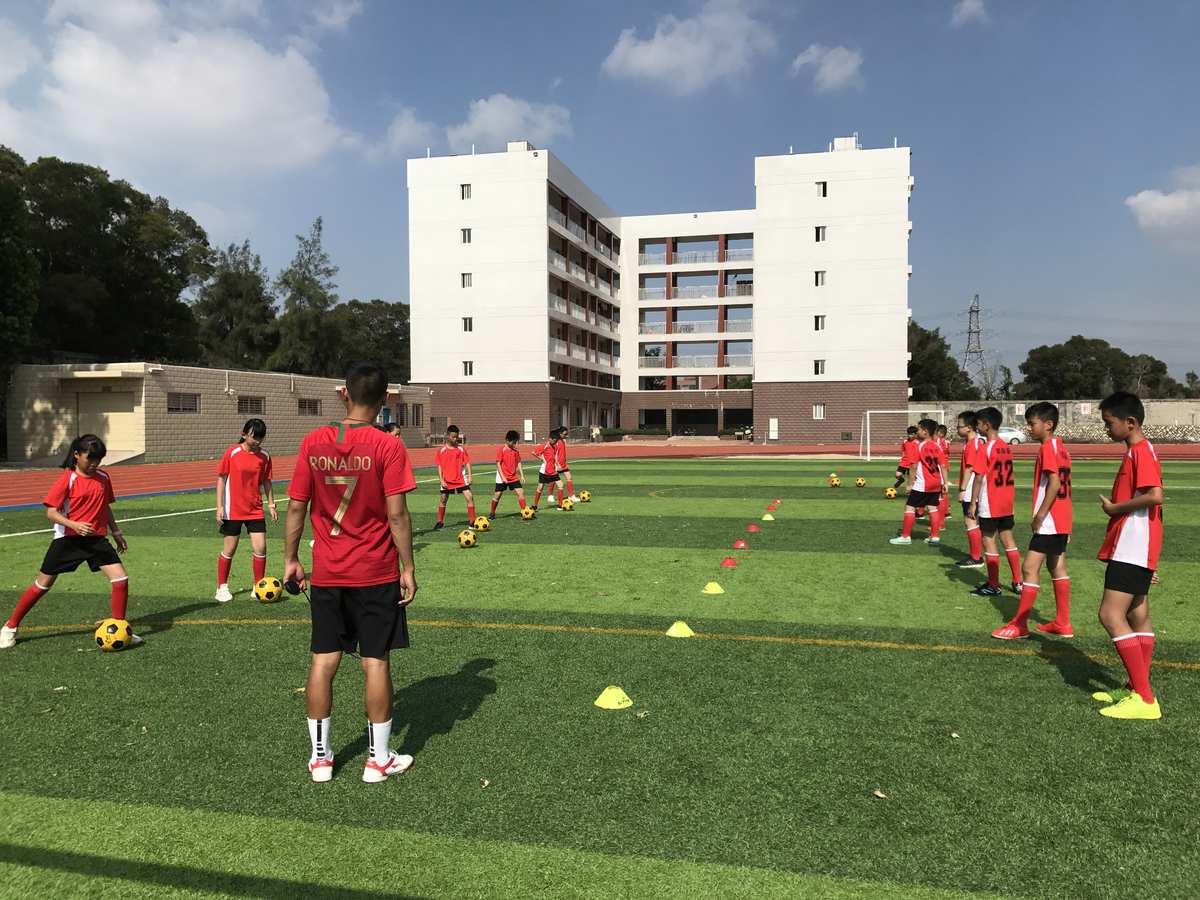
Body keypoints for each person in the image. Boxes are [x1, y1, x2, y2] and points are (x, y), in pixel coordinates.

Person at [284, 362, 419, 782]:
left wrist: (290, 559)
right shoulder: (388, 446)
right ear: (383, 402)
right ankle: (377, 761)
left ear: (343, 394)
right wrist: (409, 567)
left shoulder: (313, 441)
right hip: (375, 572)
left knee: (323, 661)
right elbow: (397, 515)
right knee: (375, 662)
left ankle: (320, 759)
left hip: (327, 572)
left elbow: (296, 506)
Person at [1, 435, 140, 650]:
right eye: (90, 459)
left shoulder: (103, 477)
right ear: (76, 455)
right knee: (42, 585)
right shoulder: (68, 479)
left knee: (121, 579)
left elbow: (105, 506)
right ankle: (10, 627)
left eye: (99, 460)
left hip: (96, 539)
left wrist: (116, 531)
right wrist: (74, 524)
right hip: (68, 540)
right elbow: (51, 512)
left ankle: (118, 626)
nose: (95, 464)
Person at [1092, 392, 1164, 720]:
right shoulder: (1136, 451)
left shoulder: (1141, 451)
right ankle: (1136, 688)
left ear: (1130, 422)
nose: (1106, 428)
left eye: (1109, 423)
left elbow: (1154, 496)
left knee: (1110, 614)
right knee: (1137, 615)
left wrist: (1115, 508)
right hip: (1137, 545)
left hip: (1132, 545)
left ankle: (1145, 700)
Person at [991, 403, 1074, 639]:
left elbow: (1055, 483)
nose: (1029, 428)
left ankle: (1020, 624)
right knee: (1056, 567)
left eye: (1032, 423)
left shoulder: (1048, 447)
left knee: (1029, 569)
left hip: (1050, 520)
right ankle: (1063, 622)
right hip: (1063, 517)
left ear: (1048, 425)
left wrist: (1040, 515)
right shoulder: (1062, 447)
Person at [214, 418, 277, 603]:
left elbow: (267, 481)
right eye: (254, 436)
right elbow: (221, 479)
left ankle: (258, 586)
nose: (257, 441)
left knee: (261, 547)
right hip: (232, 509)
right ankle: (222, 587)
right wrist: (219, 506)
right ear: (244, 434)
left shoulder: (265, 456)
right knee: (230, 549)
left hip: (255, 509)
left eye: (260, 437)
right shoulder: (231, 453)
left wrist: (271, 504)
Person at [967, 407, 1022, 597]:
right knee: (1008, 539)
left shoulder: (985, 448)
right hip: (1007, 501)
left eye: (978, 424)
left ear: (986, 425)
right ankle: (1018, 581)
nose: (977, 427)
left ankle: (993, 584)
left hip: (991, 501)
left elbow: (979, 478)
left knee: (988, 540)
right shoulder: (1005, 446)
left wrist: (973, 502)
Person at [888, 418, 948, 546]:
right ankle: (935, 536)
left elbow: (913, 467)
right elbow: (943, 465)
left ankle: (905, 537)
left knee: (909, 507)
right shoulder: (937, 446)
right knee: (933, 508)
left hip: (922, 484)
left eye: (919, 429)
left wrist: (910, 484)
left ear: (925, 432)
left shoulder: (919, 446)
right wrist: (945, 483)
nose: (917, 431)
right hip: (936, 483)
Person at [953, 411, 986, 569]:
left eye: (959, 426)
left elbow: (969, 468)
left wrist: (962, 489)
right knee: (974, 522)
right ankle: (977, 555)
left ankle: (976, 557)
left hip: (972, 487)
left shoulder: (972, 444)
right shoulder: (977, 442)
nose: (957, 429)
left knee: (970, 521)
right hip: (977, 487)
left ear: (969, 427)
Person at [434, 425, 474, 530]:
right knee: (443, 499)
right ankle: (439, 522)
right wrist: (441, 480)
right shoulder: (441, 451)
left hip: (461, 478)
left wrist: (470, 476)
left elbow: (467, 463)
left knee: (469, 497)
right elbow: (439, 467)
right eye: (453, 437)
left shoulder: (461, 449)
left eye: (456, 437)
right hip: (447, 479)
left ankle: (472, 522)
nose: (455, 439)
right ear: (447, 436)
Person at [489, 430, 527, 520]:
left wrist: (522, 475)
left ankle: (524, 512)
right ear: (507, 440)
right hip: (502, 477)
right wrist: (503, 477)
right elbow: (498, 464)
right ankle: (492, 512)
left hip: (513, 476)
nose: (515, 444)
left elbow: (519, 462)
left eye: (516, 442)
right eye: (513, 442)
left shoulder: (515, 451)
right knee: (497, 495)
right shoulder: (501, 450)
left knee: (521, 493)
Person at [531, 431, 563, 511]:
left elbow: (555, 456)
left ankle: (560, 505)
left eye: (556, 441)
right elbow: (534, 452)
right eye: (554, 440)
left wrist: (558, 464)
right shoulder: (544, 446)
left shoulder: (555, 446)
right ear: (550, 439)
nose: (555, 442)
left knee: (561, 485)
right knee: (540, 488)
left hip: (553, 470)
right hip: (544, 471)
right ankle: (535, 506)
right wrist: (541, 459)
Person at [554, 426, 580, 502]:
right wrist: (557, 464)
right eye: (565, 434)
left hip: (563, 464)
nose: (566, 435)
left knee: (569, 478)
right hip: (557, 465)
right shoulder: (556, 442)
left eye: (567, 434)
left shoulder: (562, 441)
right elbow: (554, 454)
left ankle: (571, 496)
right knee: (552, 480)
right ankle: (550, 495)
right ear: (560, 433)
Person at [935, 424, 952, 522]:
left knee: (940, 491)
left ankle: (942, 516)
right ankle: (946, 511)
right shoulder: (946, 442)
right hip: (945, 466)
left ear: (940, 433)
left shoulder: (938, 441)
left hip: (940, 467)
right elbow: (947, 454)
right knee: (943, 490)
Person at [893, 425, 919, 489]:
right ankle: (901, 480)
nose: (910, 436)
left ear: (916, 434)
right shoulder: (905, 442)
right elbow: (903, 450)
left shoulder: (918, 442)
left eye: (912, 434)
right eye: (909, 434)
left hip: (912, 463)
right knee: (897, 475)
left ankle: (910, 491)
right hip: (904, 462)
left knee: (910, 479)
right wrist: (902, 457)